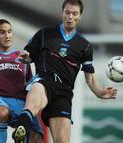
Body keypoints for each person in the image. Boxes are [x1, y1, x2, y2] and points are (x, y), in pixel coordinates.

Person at [12, 0, 118, 143]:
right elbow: (28, 56)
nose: (70, 17)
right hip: (44, 81)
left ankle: (24, 127)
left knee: (62, 141)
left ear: (80, 16)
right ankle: (21, 128)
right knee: (34, 102)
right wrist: (25, 57)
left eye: (74, 13)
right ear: (62, 13)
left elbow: (90, 78)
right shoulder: (44, 34)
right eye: (67, 12)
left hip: (64, 93)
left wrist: (100, 92)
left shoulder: (85, 46)